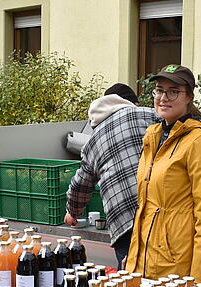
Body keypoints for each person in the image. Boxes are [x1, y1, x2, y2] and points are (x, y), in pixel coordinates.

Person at [125, 65, 201, 281]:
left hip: (175, 267)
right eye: (159, 90)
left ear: (189, 96)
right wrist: (133, 257)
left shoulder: (199, 142)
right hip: (144, 260)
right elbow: (146, 207)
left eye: (173, 91)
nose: (163, 98)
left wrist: (199, 282)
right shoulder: (154, 136)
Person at [64, 83, 157, 267]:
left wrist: (72, 212)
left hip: (123, 221)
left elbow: (81, 184)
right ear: (134, 104)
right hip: (159, 213)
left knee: (130, 283)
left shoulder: (93, 139)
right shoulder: (150, 114)